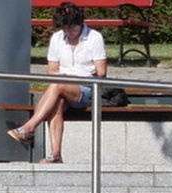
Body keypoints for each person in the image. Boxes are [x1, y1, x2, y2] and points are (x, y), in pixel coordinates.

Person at [6, 2, 107, 166]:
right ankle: (55, 154)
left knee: (57, 85)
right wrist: (63, 76)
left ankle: (29, 127)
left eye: (72, 28)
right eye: (65, 29)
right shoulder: (57, 38)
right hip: (62, 87)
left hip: (88, 88)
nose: (69, 33)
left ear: (80, 24)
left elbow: (101, 72)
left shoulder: (94, 38)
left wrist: (71, 76)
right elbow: (51, 69)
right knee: (57, 100)